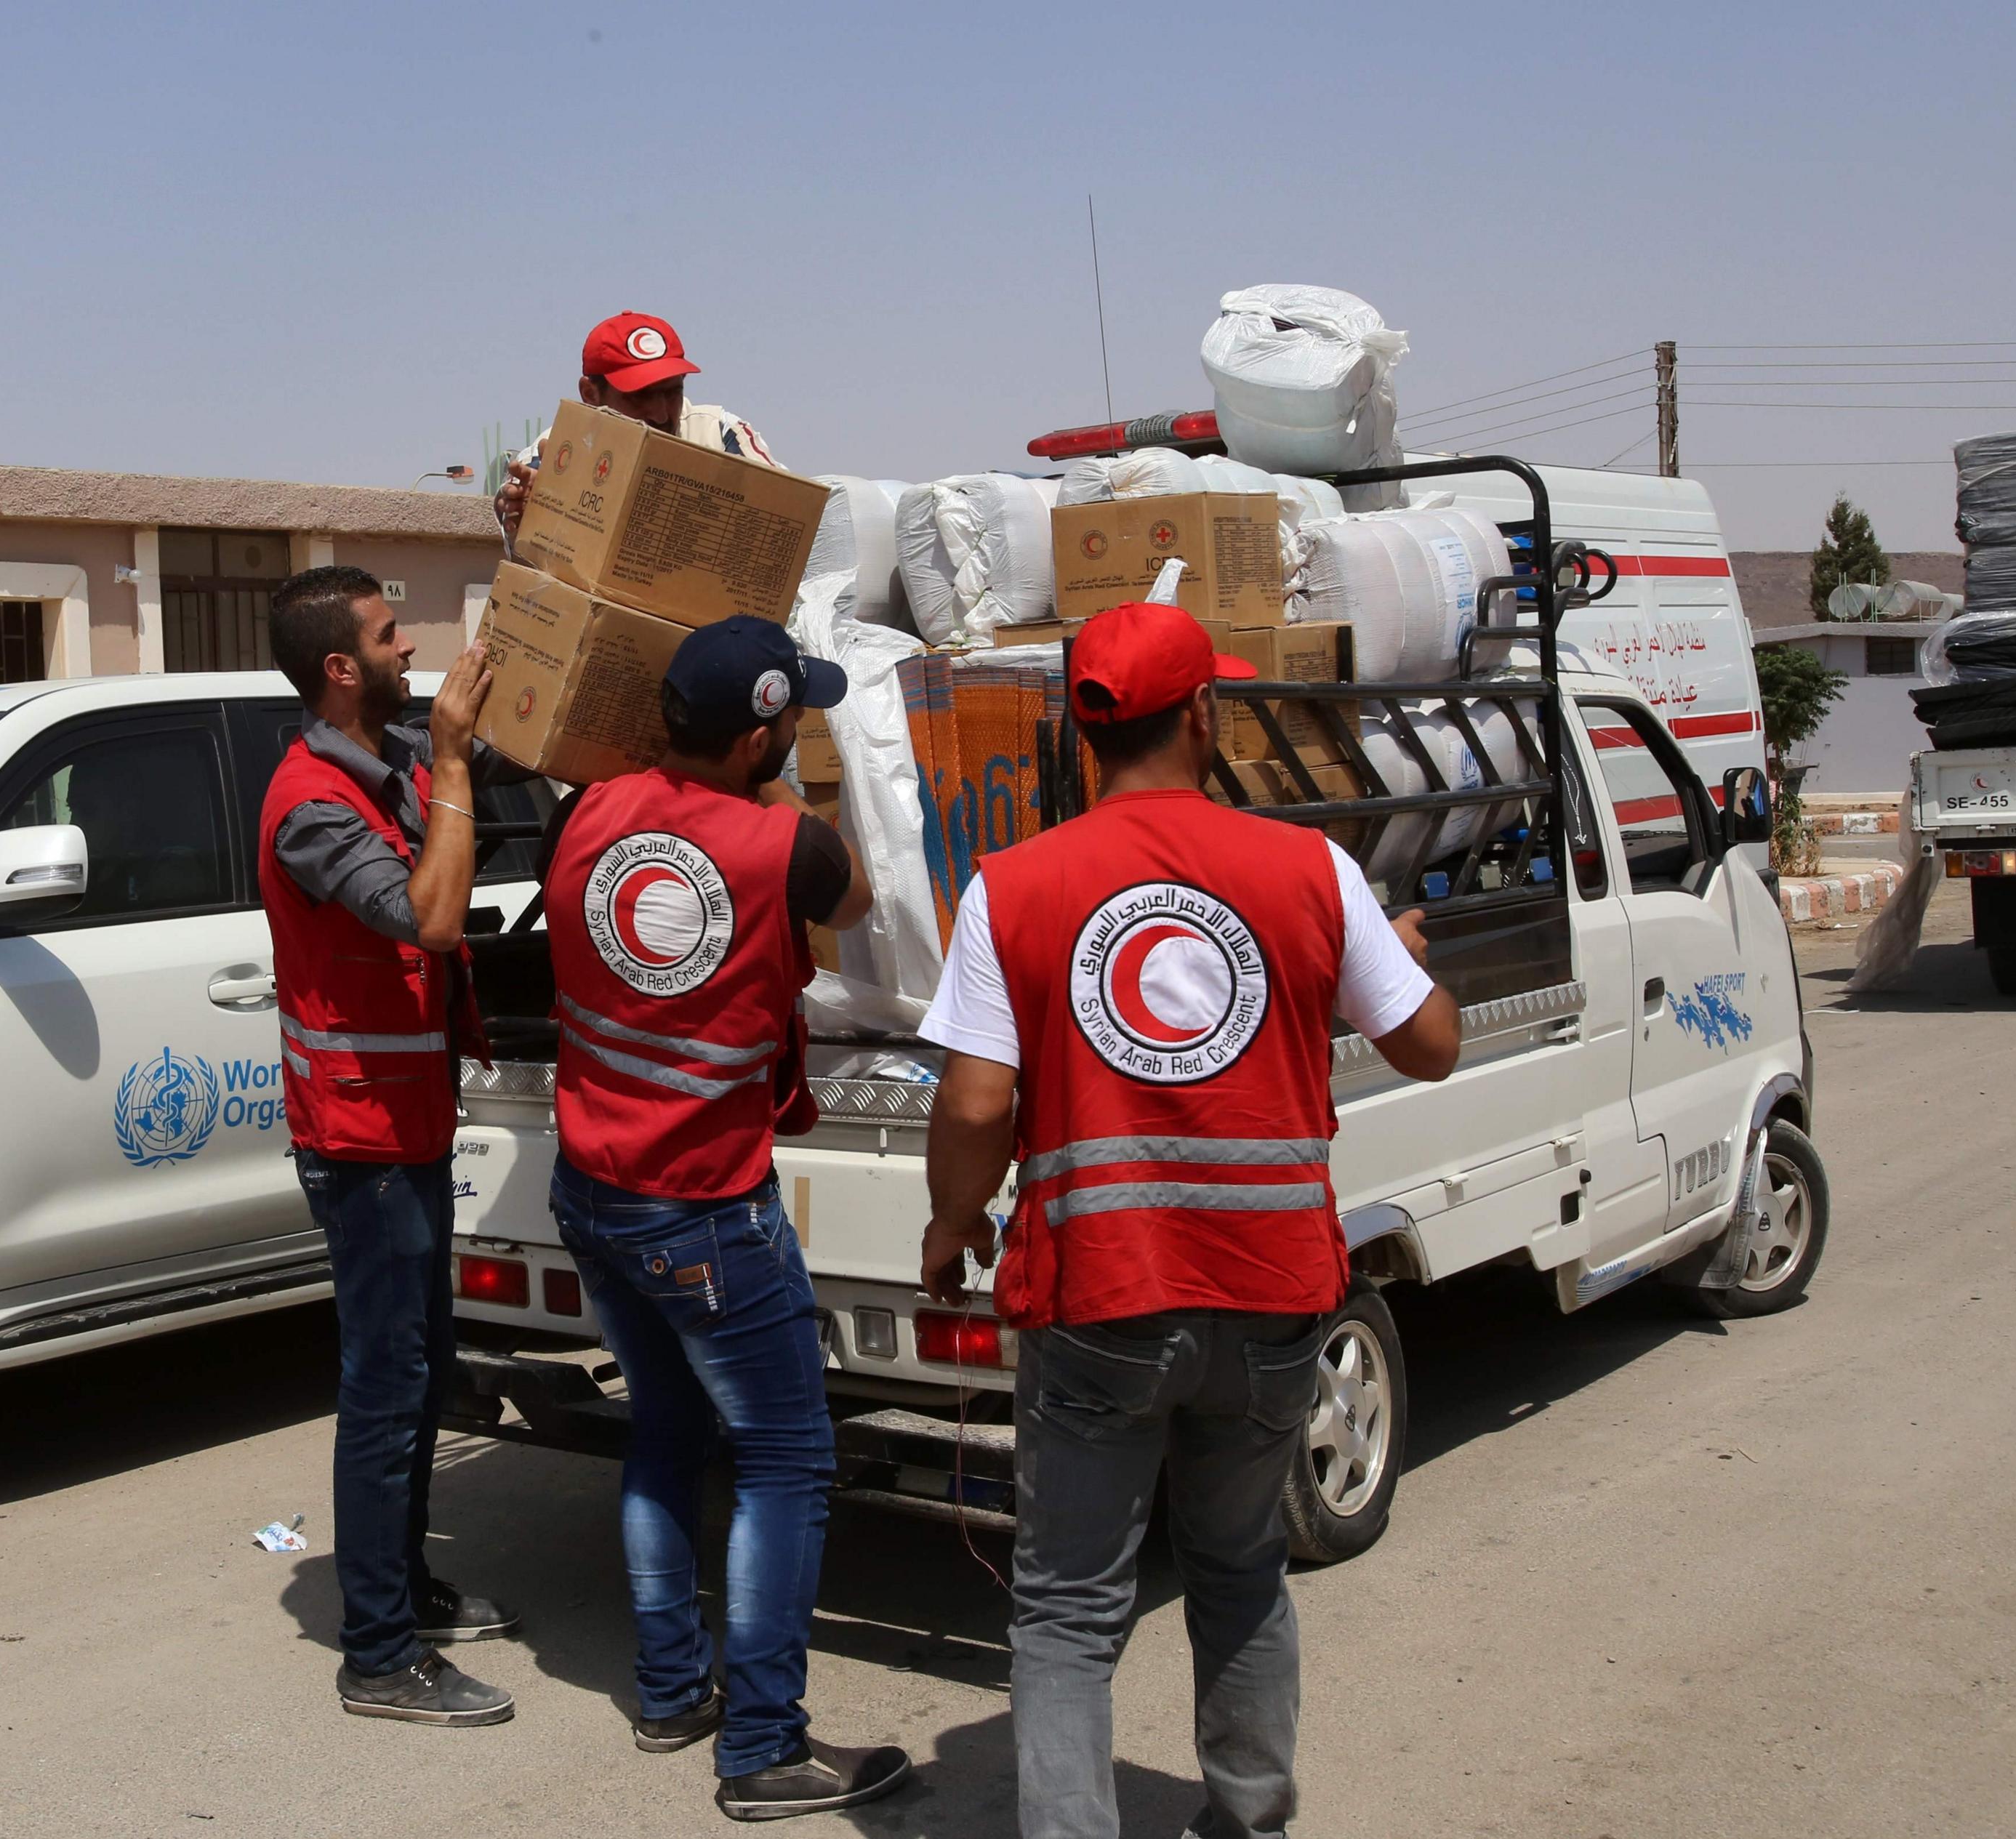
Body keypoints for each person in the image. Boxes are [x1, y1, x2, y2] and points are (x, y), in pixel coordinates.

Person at [915, 600, 1464, 1839]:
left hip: (1101, 1294)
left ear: (1084, 733)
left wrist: (954, 1225)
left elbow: (976, 1101)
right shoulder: (1311, 870)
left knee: (1067, 1607)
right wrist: (1391, 954)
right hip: (1273, 1294)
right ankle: (1251, 1816)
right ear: (1204, 717)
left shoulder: (1015, 887)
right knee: (1238, 1570)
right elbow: (1428, 1045)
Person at [540, 616, 909, 1822]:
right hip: (703, 1207)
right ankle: (763, 1746)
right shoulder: (784, 849)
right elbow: (858, 900)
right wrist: (797, 783)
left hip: (592, 1189)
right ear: (763, 730)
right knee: (790, 1458)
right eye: (790, 712)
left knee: (666, 1425)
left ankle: (668, 1690)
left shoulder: (586, 812)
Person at [257, 564, 530, 1727]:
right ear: (339, 666)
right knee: (386, 1387)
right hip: (362, 1140)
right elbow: (425, 911)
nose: (406, 644)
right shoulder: (313, 803)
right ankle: (377, 1652)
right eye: (386, 633)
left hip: (404, 1124)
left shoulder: (380, 770)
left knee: (420, 1375)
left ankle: (404, 1592)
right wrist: (456, 763)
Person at [494, 310, 782, 547]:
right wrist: (536, 518)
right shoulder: (551, 455)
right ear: (591, 395)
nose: (660, 414)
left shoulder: (720, 435)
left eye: (672, 392)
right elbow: (528, 573)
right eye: (640, 395)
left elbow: (789, 522)